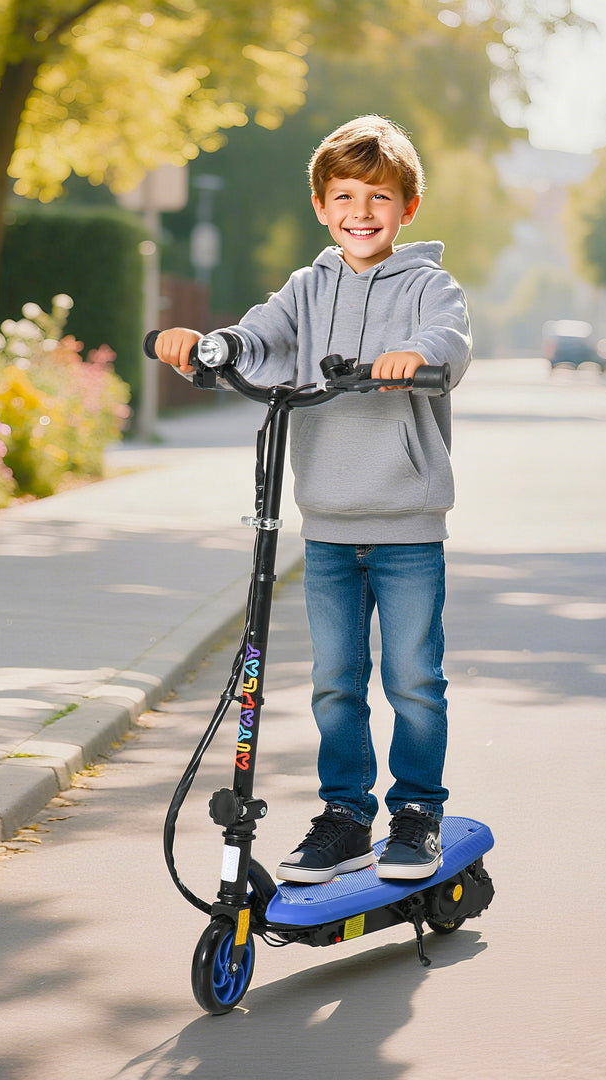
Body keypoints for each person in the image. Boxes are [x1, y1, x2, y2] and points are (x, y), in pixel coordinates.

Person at [152, 114, 472, 884]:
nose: (362, 211)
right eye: (346, 196)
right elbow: (262, 336)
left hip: (406, 528)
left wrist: (415, 356)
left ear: (408, 208)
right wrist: (211, 348)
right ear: (323, 207)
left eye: (380, 197)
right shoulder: (308, 286)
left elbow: (450, 343)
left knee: (413, 681)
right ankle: (346, 817)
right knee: (335, 684)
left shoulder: (431, 287)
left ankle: (417, 815)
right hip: (328, 527)